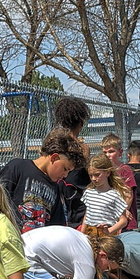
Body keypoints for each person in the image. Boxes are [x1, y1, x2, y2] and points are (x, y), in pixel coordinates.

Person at [0, 129, 86, 233]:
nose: (65, 175)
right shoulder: (18, 167)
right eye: (65, 169)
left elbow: (57, 226)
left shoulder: (55, 188)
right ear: (54, 158)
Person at [53, 97, 91, 229]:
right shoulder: (83, 148)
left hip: (58, 190)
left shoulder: (55, 143)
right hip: (77, 196)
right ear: (81, 122)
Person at [101, 133, 138, 229]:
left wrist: (124, 211)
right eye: (104, 152)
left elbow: (128, 195)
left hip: (126, 221)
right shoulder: (102, 172)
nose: (107, 155)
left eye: (111, 151)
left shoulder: (125, 170)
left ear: (120, 153)